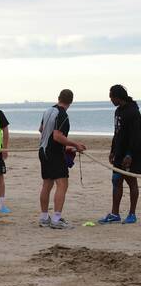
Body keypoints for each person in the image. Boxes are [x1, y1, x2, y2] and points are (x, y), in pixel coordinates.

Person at [38, 89, 86, 229]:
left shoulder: (48, 111)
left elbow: (41, 129)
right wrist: (75, 144)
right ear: (71, 101)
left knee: (47, 184)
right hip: (53, 153)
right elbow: (57, 136)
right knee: (62, 184)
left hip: (43, 150)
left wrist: (66, 148)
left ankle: (44, 217)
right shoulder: (62, 114)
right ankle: (56, 219)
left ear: (58, 98)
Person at [98, 85, 141, 224]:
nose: (110, 99)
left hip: (131, 153)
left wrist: (129, 154)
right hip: (118, 152)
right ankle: (115, 214)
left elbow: (136, 136)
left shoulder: (133, 112)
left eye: (112, 97)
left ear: (118, 96)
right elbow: (117, 132)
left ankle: (132, 214)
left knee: (131, 181)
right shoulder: (118, 111)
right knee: (116, 181)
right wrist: (112, 150)